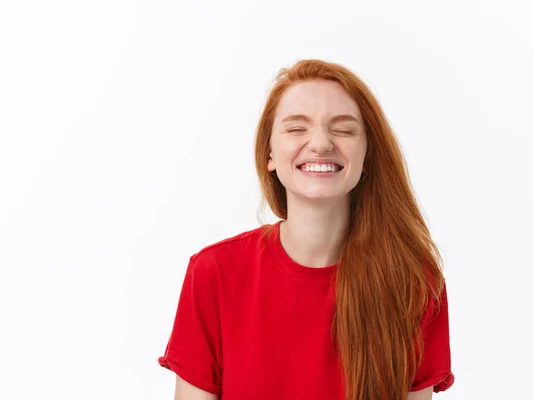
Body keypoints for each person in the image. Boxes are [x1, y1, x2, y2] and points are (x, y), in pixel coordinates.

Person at [157, 59, 455, 400]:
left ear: (367, 156)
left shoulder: (414, 283)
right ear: (269, 154)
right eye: (297, 128)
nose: (321, 143)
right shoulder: (214, 273)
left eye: (343, 129)